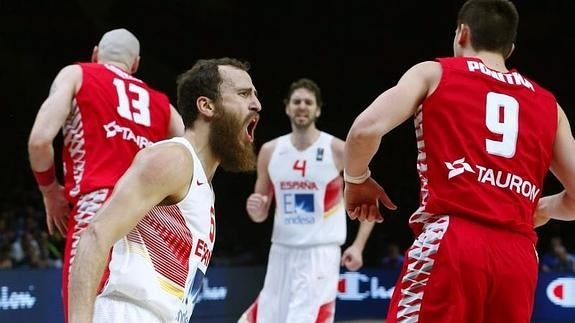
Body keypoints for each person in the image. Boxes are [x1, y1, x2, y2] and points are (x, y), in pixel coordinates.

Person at [342, 0, 575, 322]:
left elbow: (363, 131)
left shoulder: (434, 72)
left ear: (462, 33)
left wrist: (356, 179)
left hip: (453, 240)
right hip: (519, 257)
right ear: (509, 48)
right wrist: (544, 208)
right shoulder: (550, 106)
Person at [67, 57, 262, 323]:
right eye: (243, 94)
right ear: (207, 106)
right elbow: (96, 234)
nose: (256, 104)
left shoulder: (201, 186)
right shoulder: (175, 158)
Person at [27, 28, 184, 321]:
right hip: (147, 221)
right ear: (135, 64)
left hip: (98, 210)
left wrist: (50, 191)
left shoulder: (77, 74)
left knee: (84, 314)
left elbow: (39, 141)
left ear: (96, 53)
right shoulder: (161, 103)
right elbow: (192, 161)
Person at [239, 78, 375, 323]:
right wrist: (256, 208)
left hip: (320, 253)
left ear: (318, 109)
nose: (302, 106)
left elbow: (369, 203)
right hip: (280, 251)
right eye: (297, 102)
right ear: (287, 108)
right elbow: (260, 213)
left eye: (308, 102)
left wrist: (358, 246)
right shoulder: (270, 151)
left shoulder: (338, 150)